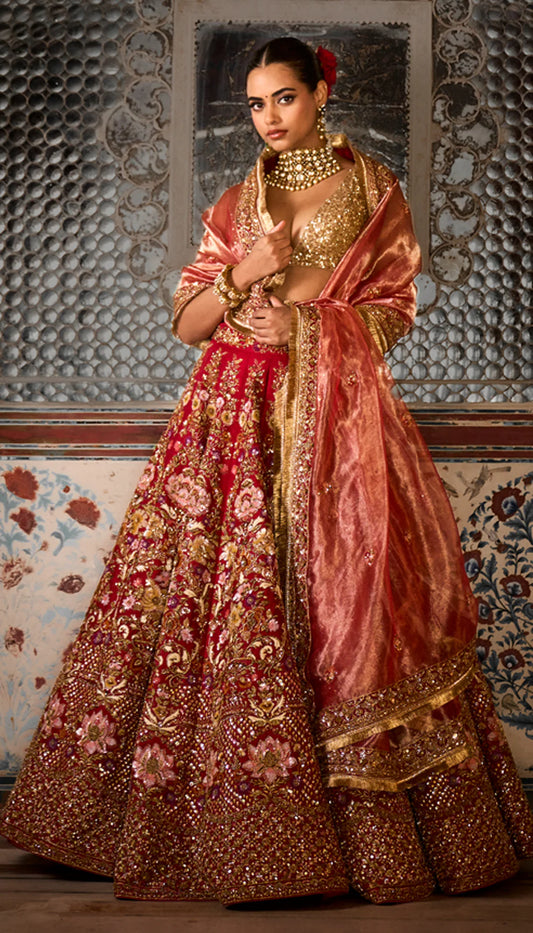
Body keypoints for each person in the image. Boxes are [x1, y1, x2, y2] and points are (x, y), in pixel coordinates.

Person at [1, 36, 532, 906]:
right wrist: (248, 271)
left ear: (321, 93)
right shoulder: (235, 200)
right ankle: (201, 826)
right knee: (207, 597)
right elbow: (188, 320)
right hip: (228, 418)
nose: (270, 118)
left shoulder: (372, 190)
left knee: (352, 601)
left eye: (284, 98)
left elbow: (393, 307)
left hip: (335, 420)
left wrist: (319, 330)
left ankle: (361, 837)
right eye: (255, 104)